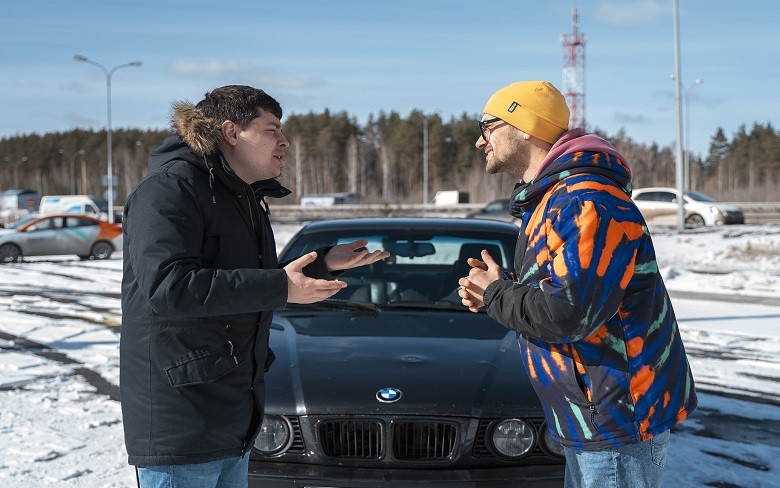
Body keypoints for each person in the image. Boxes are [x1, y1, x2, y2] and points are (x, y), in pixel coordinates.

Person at [120, 85, 388, 488]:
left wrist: (322, 265)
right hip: (182, 419)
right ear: (231, 131)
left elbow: (245, 280)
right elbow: (169, 287)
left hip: (232, 415)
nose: (284, 142)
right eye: (271, 129)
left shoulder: (241, 196)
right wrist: (280, 286)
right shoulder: (170, 190)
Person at [459, 81, 697, 488]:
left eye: (487, 126)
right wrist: (501, 289)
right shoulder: (553, 200)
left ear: (525, 126)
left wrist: (498, 294)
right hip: (589, 415)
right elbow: (570, 291)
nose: (480, 142)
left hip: (614, 420)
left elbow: (569, 313)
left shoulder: (586, 203)